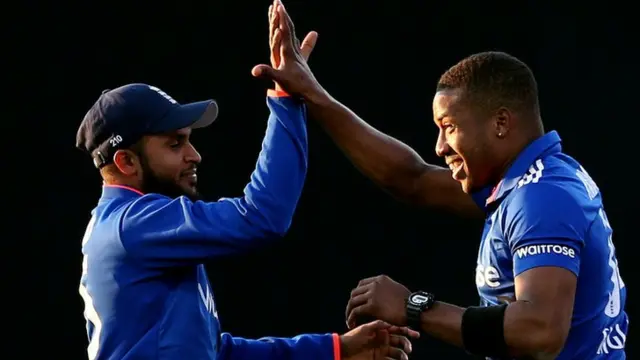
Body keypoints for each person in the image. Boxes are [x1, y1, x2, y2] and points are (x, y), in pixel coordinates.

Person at [252, 2, 629, 359]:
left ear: (500, 123)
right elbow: (411, 179)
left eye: (449, 127)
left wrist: (413, 306)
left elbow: (540, 331)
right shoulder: (530, 180)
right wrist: (313, 95)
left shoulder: (542, 197)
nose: (439, 146)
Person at [74, 6, 419, 359]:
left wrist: (336, 349)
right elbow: (262, 216)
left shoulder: (130, 226)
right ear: (126, 161)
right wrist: (286, 99)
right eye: (175, 144)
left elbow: (216, 352)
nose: (194, 155)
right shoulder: (133, 224)